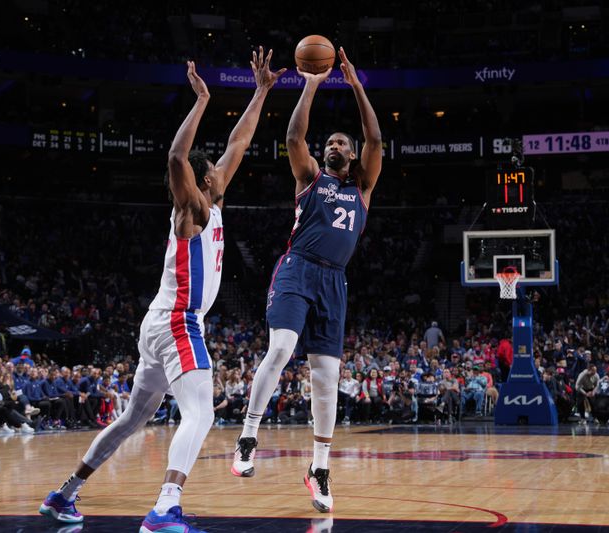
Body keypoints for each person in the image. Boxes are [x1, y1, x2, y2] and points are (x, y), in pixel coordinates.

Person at [40, 49, 284, 530]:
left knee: (133, 419)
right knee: (202, 413)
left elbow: (239, 142)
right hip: (178, 321)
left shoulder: (213, 200)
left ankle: (62, 496)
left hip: (159, 324)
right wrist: (202, 101)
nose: (222, 169)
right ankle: (165, 508)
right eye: (212, 168)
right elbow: (176, 155)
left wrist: (260, 91)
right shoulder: (190, 208)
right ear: (200, 179)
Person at [232, 46, 382, 514]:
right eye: (330, 143)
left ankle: (319, 469)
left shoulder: (363, 186)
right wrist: (311, 84)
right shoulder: (311, 178)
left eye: (341, 143)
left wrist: (356, 85)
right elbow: (295, 135)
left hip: (334, 282)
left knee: (327, 376)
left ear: (352, 155)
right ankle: (248, 435)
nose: (332, 146)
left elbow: (376, 140)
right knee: (279, 349)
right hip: (297, 268)